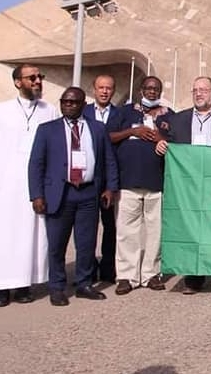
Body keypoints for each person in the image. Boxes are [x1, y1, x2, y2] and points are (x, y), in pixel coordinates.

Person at [0, 64, 58, 307]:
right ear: (18, 82)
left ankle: (23, 286)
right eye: (32, 77)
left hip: (33, 187)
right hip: (2, 185)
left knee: (28, 237)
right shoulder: (0, 110)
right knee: (0, 236)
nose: (38, 81)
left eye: (40, 76)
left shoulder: (49, 110)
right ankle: (0, 289)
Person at [28, 87, 119, 306]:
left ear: (83, 105)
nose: (68, 105)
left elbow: (109, 160)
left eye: (73, 102)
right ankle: (57, 287)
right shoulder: (47, 130)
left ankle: (84, 284)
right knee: (57, 244)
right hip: (60, 194)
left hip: (88, 193)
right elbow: (36, 164)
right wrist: (36, 195)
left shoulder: (97, 128)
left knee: (86, 243)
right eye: (65, 102)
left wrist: (110, 188)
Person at [154, 76, 211, 295]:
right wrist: (161, 144)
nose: (198, 93)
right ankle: (194, 277)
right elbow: (169, 143)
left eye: (203, 89)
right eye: (195, 90)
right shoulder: (179, 119)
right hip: (189, 183)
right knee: (192, 228)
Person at [107, 75, 172, 295]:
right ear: (141, 90)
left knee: (155, 232)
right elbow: (109, 136)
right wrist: (133, 131)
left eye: (156, 88)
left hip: (157, 183)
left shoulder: (168, 115)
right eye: (148, 88)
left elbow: (177, 142)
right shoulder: (124, 112)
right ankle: (127, 276)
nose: (152, 91)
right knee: (127, 232)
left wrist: (160, 137)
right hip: (128, 182)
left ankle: (151, 274)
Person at [83, 74, 119, 283]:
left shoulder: (120, 114)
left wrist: (112, 185)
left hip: (110, 178)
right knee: (86, 228)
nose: (105, 91)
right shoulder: (83, 112)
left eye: (109, 88)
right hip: (87, 179)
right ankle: (87, 269)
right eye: (101, 87)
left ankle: (108, 268)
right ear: (94, 89)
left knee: (110, 227)